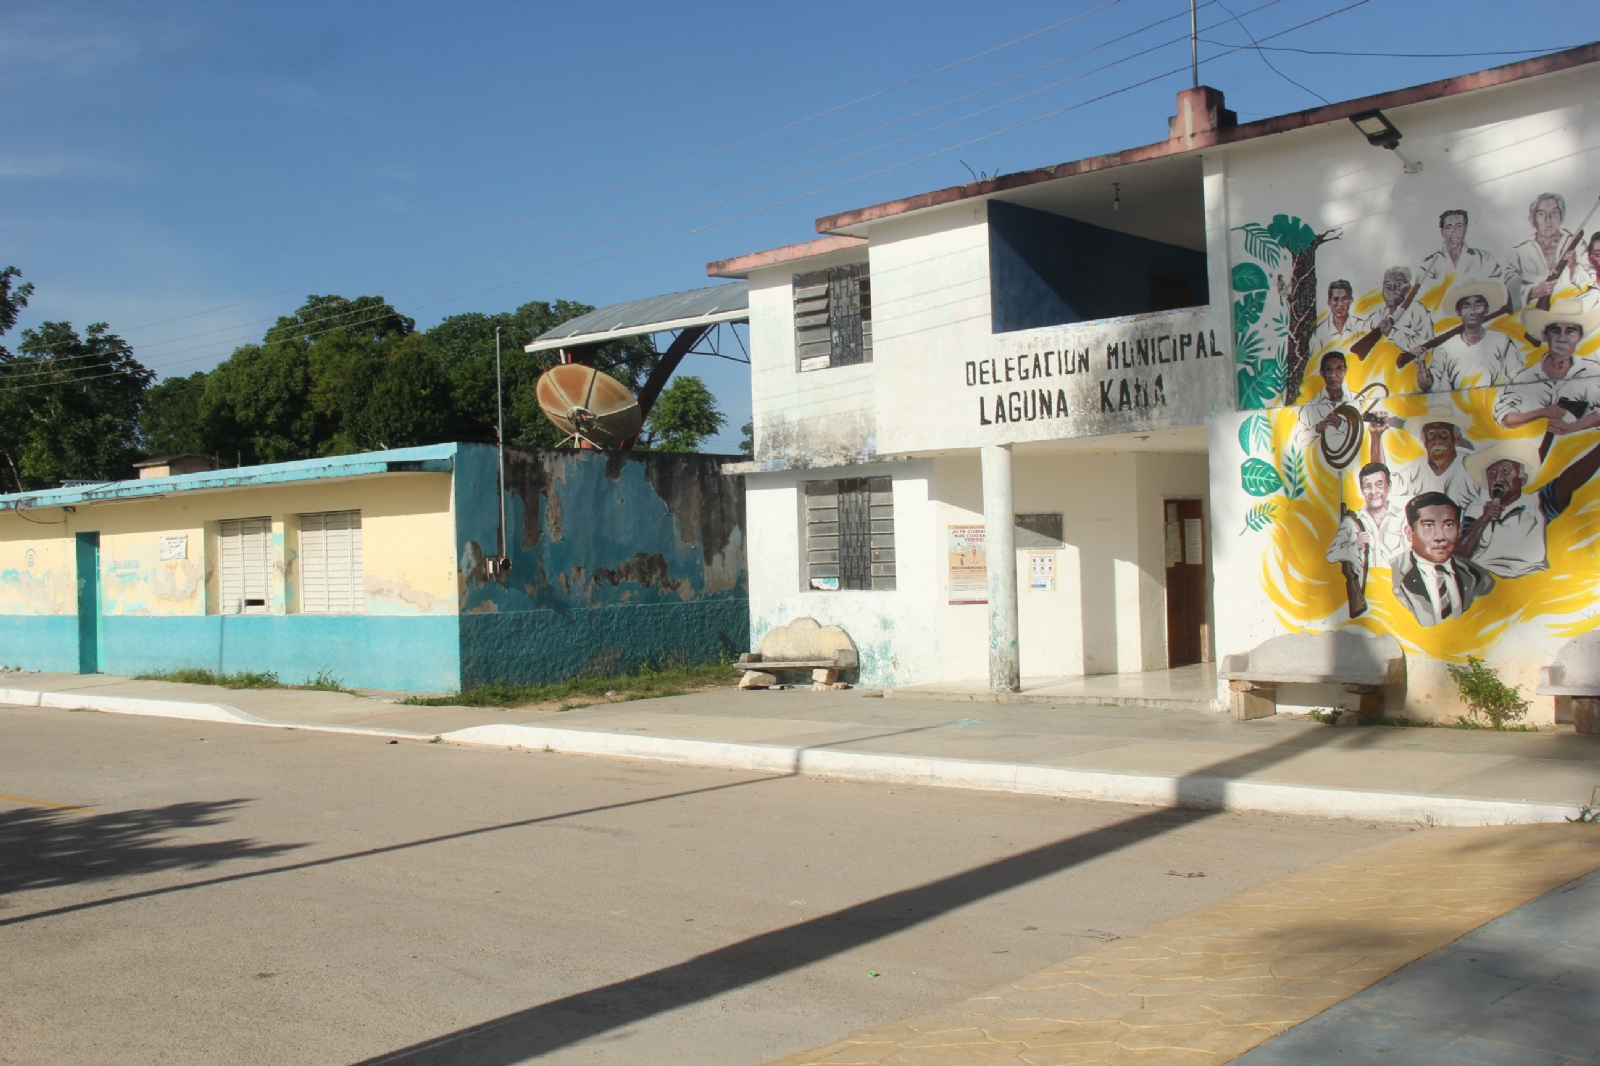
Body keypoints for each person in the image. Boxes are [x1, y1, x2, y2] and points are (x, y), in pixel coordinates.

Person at [1459, 434, 1600, 578]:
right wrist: (1484, 518)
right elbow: (1460, 555)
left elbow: (1573, 477)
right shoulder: (1476, 509)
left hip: (1528, 579)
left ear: (1523, 478)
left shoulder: (1537, 502)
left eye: (1506, 471)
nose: (1499, 479)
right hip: (1484, 580)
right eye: (1492, 474)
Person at [1494, 297, 1600, 440]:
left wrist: (1574, 427)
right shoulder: (1526, 378)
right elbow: (1505, 418)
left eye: (1570, 331)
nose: (1562, 338)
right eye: (1555, 331)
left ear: (1579, 337)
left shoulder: (1591, 372)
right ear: (1545, 336)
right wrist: (1543, 412)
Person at [1391, 491, 1496, 627]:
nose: (1440, 536)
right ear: (1409, 533)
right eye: (1428, 525)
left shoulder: (1478, 577)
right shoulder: (1391, 574)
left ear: (1459, 530)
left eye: (1448, 525)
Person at [1371, 395, 1485, 516]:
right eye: (1431, 434)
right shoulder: (1417, 469)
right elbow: (1380, 479)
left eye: (1444, 433)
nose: (1437, 440)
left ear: (1456, 438)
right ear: (1424, 441)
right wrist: (1376, 436)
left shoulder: (1471, 466)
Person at [1325, 461, 1408, 617]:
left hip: (1397, 602)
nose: (1373, 491)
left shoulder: (1403, 519)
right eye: (1367, 486)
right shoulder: (1351, 522)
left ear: (1388, 486)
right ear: (1362, 490)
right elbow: (1330, 555)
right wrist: (1355, 546)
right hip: (1367, 605)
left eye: (1379, 484)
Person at [1416, 281, 1522, 391]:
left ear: (1486, 309)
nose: (1472, 311)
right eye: (1466, 306)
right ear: (1458, 311)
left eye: (1478, 305)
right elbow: (1428, 386)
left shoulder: (1500, 340)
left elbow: (1518, 376)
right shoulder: (1445, 346)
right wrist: (1420, 364)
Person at [1508, 192, 1588, 308]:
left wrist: (1574, 267)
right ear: (1532, 220)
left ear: (1562, 216)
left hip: (1571, 314)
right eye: (1541, 214)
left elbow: (1591, 283)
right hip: (1530, 319)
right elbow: (1509, 291)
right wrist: (1532, 292)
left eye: (1554, 213)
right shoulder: (1518, 253)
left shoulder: (1578, 245)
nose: (1548, 219)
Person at [1418, 209, 1505, 300]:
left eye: (1459, 226)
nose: (1454, 232)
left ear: (1466, 229)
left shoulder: (1484, 259)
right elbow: (1424, 296)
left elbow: (1497, 287)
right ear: (1442, 232)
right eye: (1449, 227)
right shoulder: (1429, 264)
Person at [1292, 351, 1357, 455]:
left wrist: (1342, 425)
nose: (1333, 375)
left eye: (1339, 368)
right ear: (1322, 373)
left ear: (1345, 370)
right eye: (1328, 369)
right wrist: (1317, 429)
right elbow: (1299, 440)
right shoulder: (1310, 407)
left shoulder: (1357, 400)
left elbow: (1364, 432)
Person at [1360, 266, 1434, 357]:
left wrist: (1392, 333)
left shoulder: (1416, 310)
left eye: (1398, 285)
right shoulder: (1378, 315)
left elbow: (1424, 344)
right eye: (1388, 286)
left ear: (1407, 289)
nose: (1392, 290)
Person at [1311, 279, 1361, 353]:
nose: (1340, 304)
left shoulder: (1361, 327)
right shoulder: (1318, 333)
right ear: (1329, 302)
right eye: (1335, 299)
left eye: (1344, 299)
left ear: (1351, 301)